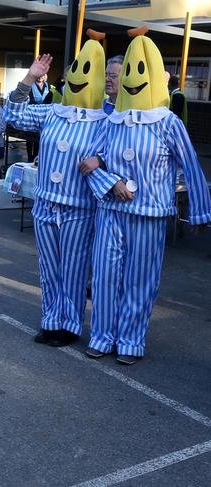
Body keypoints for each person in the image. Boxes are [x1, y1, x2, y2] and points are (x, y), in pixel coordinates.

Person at [79, 33, 211, 365]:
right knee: (106, 276)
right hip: (111, 211)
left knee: (140, 281)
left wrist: (199, 212)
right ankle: (102, 335)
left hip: (149, 214)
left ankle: (130, 340)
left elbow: (191, 167)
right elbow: (88, 161)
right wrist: (112, 181)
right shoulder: (112, 121)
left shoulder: (168, 123)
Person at [6, 39, 111, 348]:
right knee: (49, 267)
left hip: (79, 209)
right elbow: (13, 116)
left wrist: (100, 160)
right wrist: (28, 78)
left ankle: (70, 324)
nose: (78, 78)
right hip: (45, 205)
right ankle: (50, 320)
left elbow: (116, 152)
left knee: (74, 271)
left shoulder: (105, 122)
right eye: (74, 70)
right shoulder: (52, 112)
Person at [26, 73, 53, 162]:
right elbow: (29, 99)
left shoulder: (47, 85)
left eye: (43, 75)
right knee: (30, 138)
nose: (41, 76)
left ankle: (36, 156)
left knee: (39, 137)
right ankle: (30, 156)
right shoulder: (31, 85)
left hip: (44, 115)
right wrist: (40, 105)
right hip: (32, 113)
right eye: (39, 74)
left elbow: (49, 98)